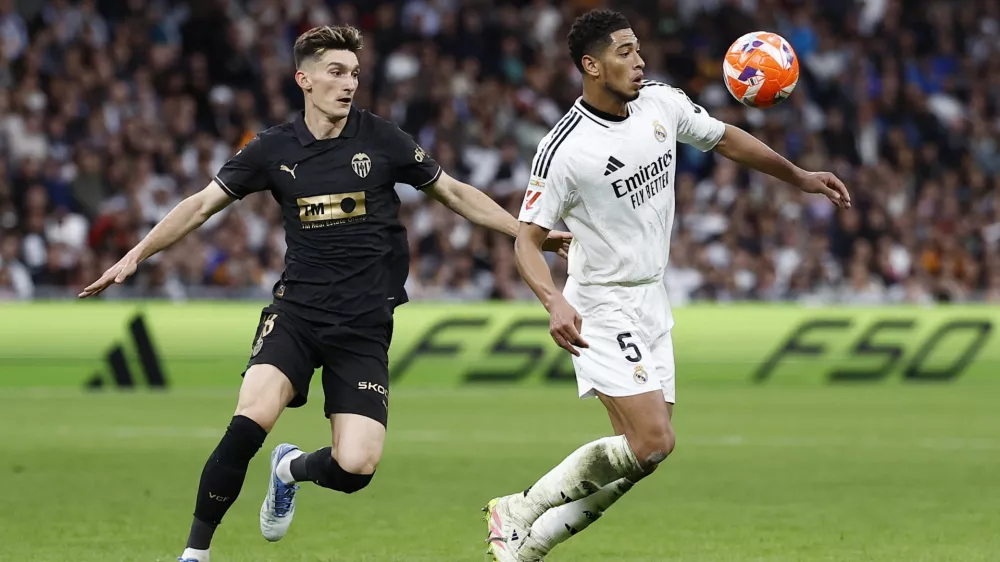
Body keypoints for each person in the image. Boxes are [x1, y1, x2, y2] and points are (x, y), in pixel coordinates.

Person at [78, 25, 571, 562]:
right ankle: (195, 553)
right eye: (335, 72)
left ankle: (290, 468)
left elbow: (453, 193)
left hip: (362, 326)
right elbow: (199, 205)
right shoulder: (272, 149)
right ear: (304, 80)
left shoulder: (381, 138)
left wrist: (527, 233)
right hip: (297, 313)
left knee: (355, 467)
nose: (348, 84)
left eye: (355, 73)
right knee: (250, 418)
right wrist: (134, 255)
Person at [483, 10, 850, 562]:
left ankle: (532, 546)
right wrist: (553, 300)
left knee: (644, 455)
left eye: (638, 49)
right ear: (591, 65)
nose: (639, 60)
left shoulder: (661, 102)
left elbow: (725, 139)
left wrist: (799, 177)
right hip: (601, 304)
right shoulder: (565, 148)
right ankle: (519, 508)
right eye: (625, 52)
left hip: (651, 297)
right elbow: (526, 240)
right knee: (654, 440)